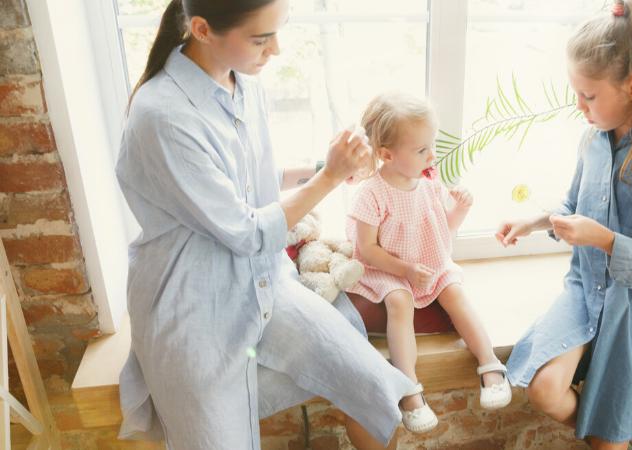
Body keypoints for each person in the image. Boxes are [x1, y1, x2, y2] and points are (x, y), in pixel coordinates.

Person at [115, 1, 415, 449]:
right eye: (261, 39)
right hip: (192, 301)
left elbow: (255, 189)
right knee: (216, 435)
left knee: (374, 389)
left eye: (278, 32)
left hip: (264, 280)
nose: (276, 49)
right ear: (201, 29)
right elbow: (247, 231)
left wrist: (330, 166)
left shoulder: (246, 87)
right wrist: (329, 176)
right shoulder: (162, 115)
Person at [496, 1, 632, 449]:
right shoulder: (592, 142)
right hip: (583, 288)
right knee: (544, 389)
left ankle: (612, 439)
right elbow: (576, 207)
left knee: (606, 438)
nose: (580, 107)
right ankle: (611, 437)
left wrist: (607, 241)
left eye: (589, 96)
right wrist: (536, 220)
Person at [346, 92, 512, 434]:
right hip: (387, 267)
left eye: (431, 145)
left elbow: (439, 232)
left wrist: (459, 211)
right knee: (399, 301)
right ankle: (408, 387)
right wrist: (404, 271)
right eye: (422, 149)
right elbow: (366, 249)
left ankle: (489, 364)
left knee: (454, 291)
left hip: (426, 261)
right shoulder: (371, 193)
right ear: (386, 155)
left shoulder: (428, 183)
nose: (432, 155)